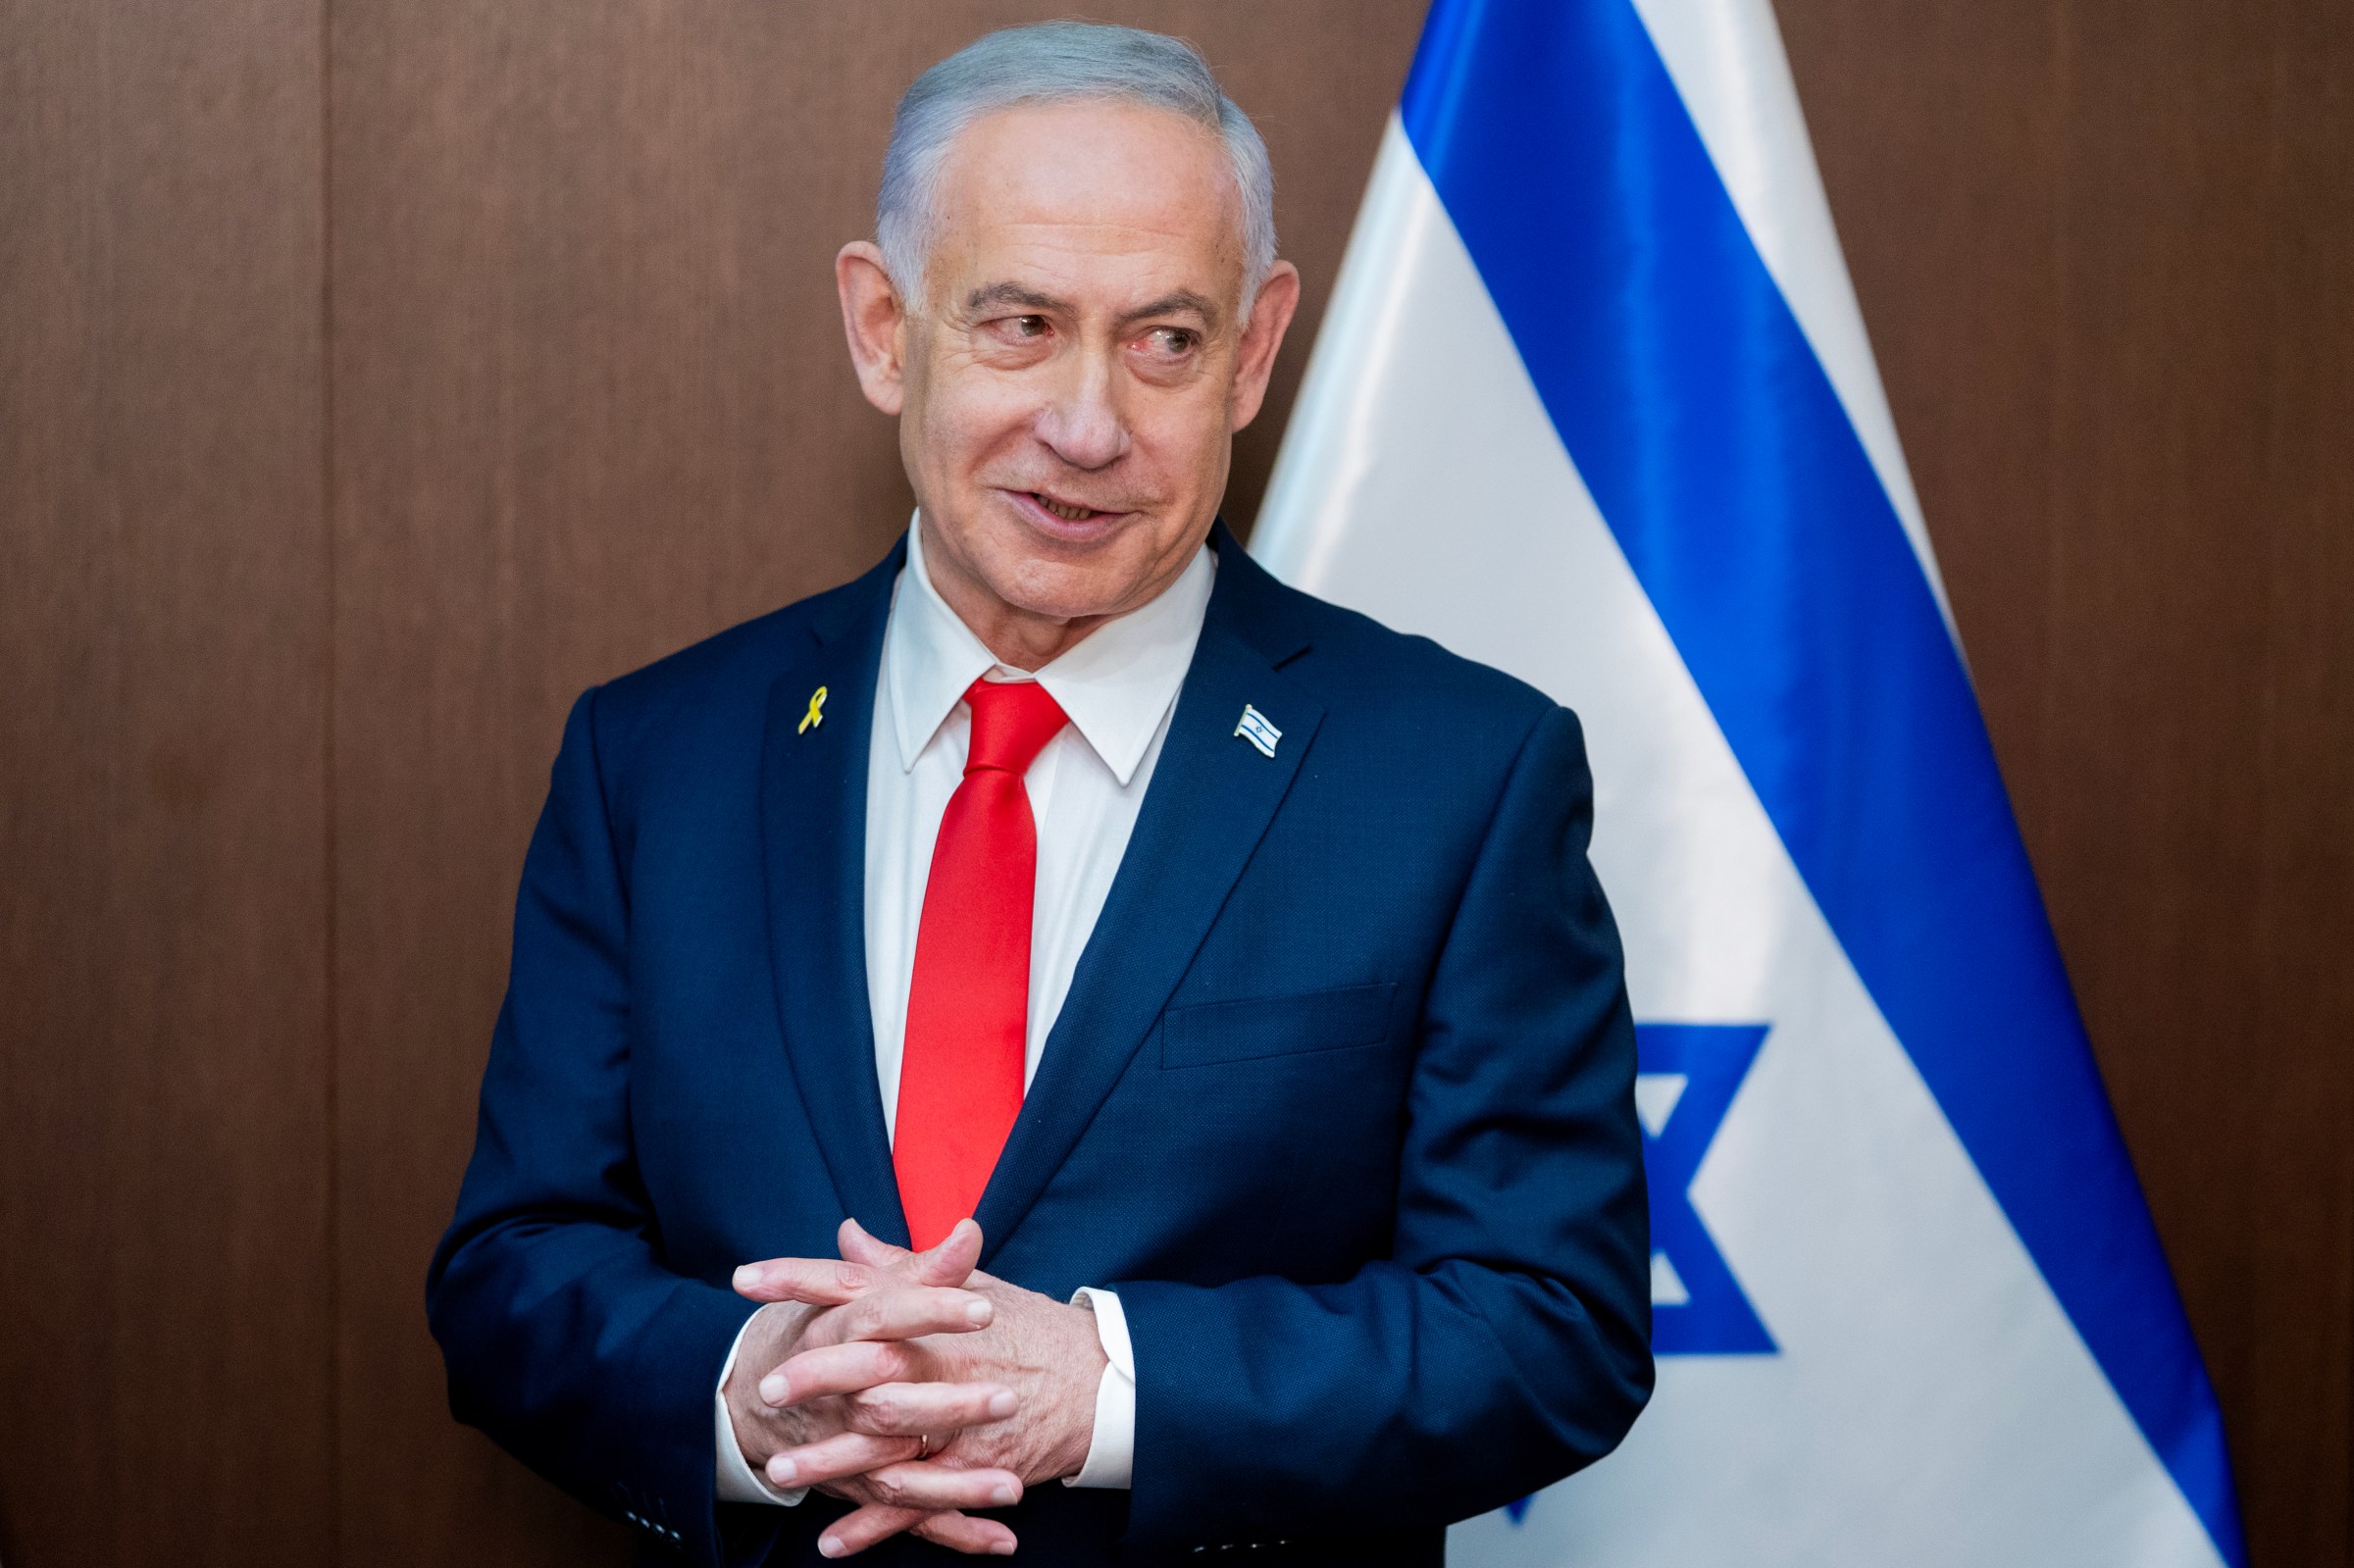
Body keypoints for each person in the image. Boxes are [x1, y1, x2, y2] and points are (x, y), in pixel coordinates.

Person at [428, 22, 1651, 1567]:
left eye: (1167, 340)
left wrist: (1111, 1390)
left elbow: (1553, 1324)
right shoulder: (654, 757)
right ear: (884, 328)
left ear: (1256, 352)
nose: (1088, 426)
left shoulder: (1460, 776)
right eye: (1018, 325)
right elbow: (512, 1270)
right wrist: (750, 1392)